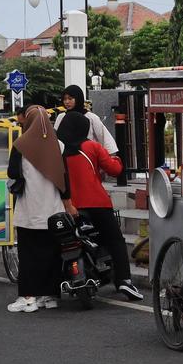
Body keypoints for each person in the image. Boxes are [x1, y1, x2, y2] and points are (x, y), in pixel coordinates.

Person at [56, 111, 143, 301]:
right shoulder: (91, 147)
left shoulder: (57, 151)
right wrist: (118, 159)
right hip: (98, 203)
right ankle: (124, 281)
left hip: (69, 206)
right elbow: (115, 169)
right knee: (115, 240)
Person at [7, 106, 73, 313]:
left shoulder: (20, 145)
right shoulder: (59, 145)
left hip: (29, 208)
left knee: (28, 255)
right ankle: (50, 296)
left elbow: (12, 173)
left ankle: (28, 298)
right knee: (51, 254)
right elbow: (65, 179)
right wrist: (68, 204)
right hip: (53, 210)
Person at [61, 85, 119, 155]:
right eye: (65, 99)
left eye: (70, 99)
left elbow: (103, 135)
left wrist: (111, 154)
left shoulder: (91, 117)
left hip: (88, 156)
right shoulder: (61, 117)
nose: (67, 102)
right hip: (65, 156)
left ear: (78, 98)